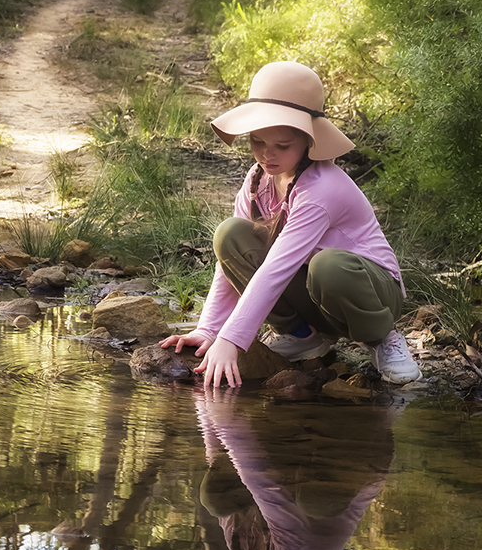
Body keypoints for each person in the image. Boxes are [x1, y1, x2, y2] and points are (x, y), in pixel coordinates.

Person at [159, 61, 422, 388]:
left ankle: (384, 339)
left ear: (309, 141)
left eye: (282, 146)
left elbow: (277, 268)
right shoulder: (258, 180)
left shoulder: (321, 189)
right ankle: (302, 337)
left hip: (368, 290)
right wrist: (210, 329)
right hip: (314, 291)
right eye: (257, 142)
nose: (266, 155)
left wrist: (232, 340)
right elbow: (229, 264)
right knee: (230, 235)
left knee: (329, 266)